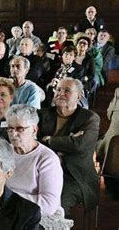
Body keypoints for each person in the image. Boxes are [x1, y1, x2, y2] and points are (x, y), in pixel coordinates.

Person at [37, 78, 100, 217]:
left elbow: (79, 145)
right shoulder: (43, 114)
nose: (61, 93)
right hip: (43, 170)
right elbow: (32, 142)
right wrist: (68, 140)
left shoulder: (89, 118)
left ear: (78, 96)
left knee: (57, 202)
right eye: (58, 89)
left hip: (74, 175)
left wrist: (49, 140)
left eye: (67, 91)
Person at [5, 105, 71, 228]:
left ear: (34, 130)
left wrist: (7, 198)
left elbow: (48, 205)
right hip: (7, 212)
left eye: (20, 129)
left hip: (38, 216)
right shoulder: (4, 152)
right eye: (10, 128)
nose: (13, 134)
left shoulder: (47, 159)